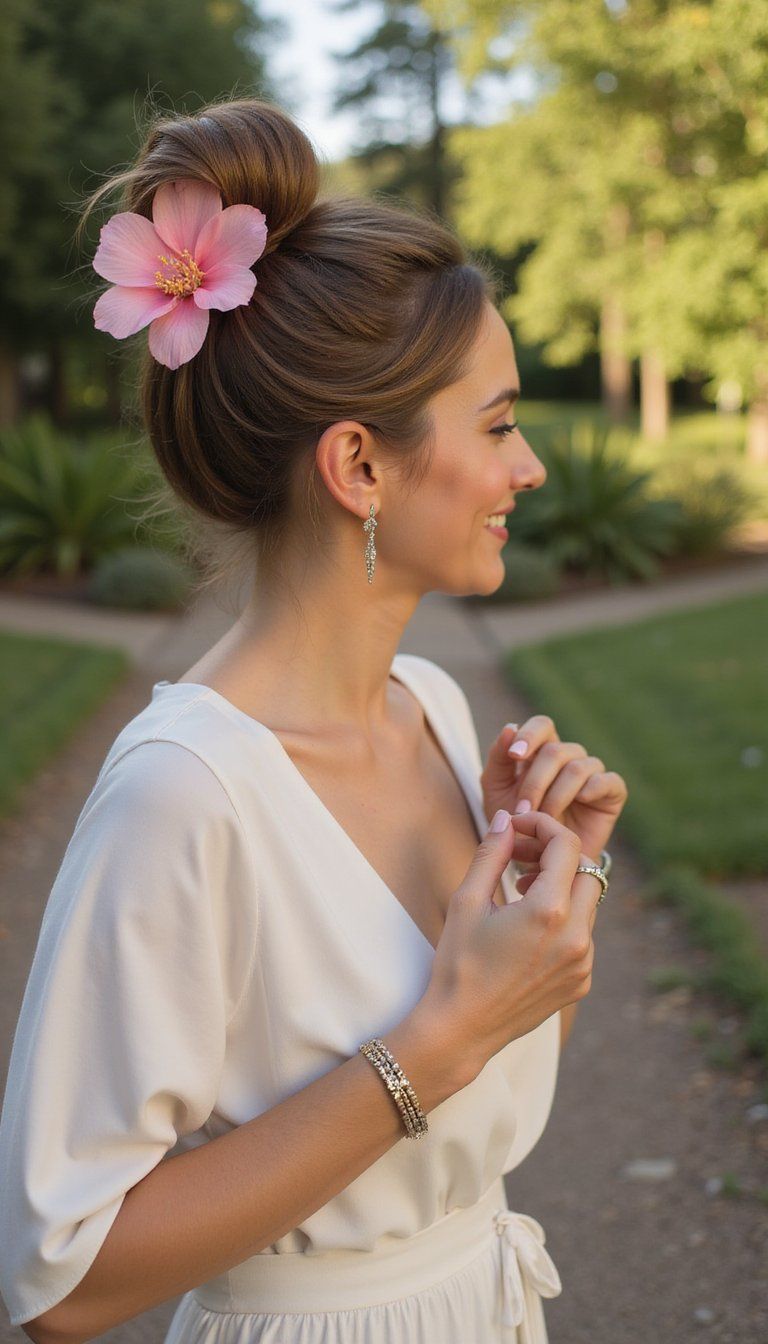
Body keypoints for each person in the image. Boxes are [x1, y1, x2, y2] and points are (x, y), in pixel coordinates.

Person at [0, 97, 627, 1344]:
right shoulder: (184, 793)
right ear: (359, 467)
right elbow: (56, 1281)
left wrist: (556, 889)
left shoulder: (436, 709)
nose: (531, 467)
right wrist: (430, 1046)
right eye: (499, 424)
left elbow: (499, 1067)